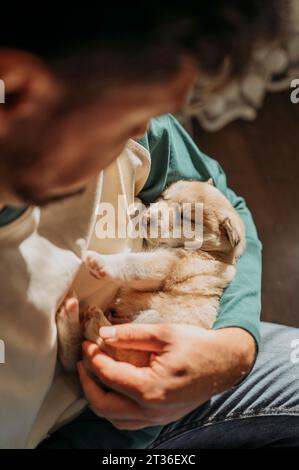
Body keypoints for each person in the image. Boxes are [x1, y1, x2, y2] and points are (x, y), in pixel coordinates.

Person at [0, 2, 298, 449]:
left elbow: (224, 212)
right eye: (130, 117)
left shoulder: (130, 132)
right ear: (19, 90)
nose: (146, 129)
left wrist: (231, 348)